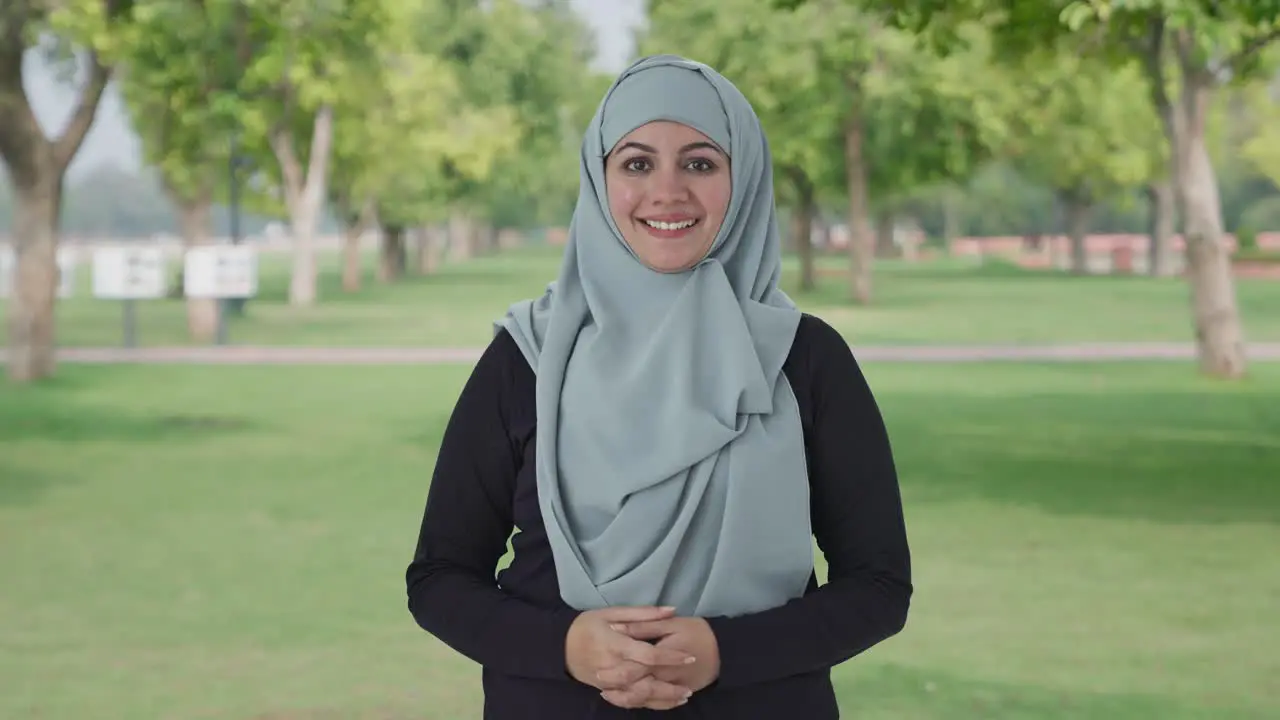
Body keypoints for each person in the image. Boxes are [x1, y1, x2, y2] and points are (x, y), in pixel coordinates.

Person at [405, 54, 912, 718]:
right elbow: (440, 579)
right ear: (599, 177)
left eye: (700, 163)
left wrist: (725, 652)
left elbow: (878, 587)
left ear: (745, 178)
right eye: (637, 164)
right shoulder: (526, 357)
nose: (666, 192)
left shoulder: (803, 358)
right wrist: (564, 645)